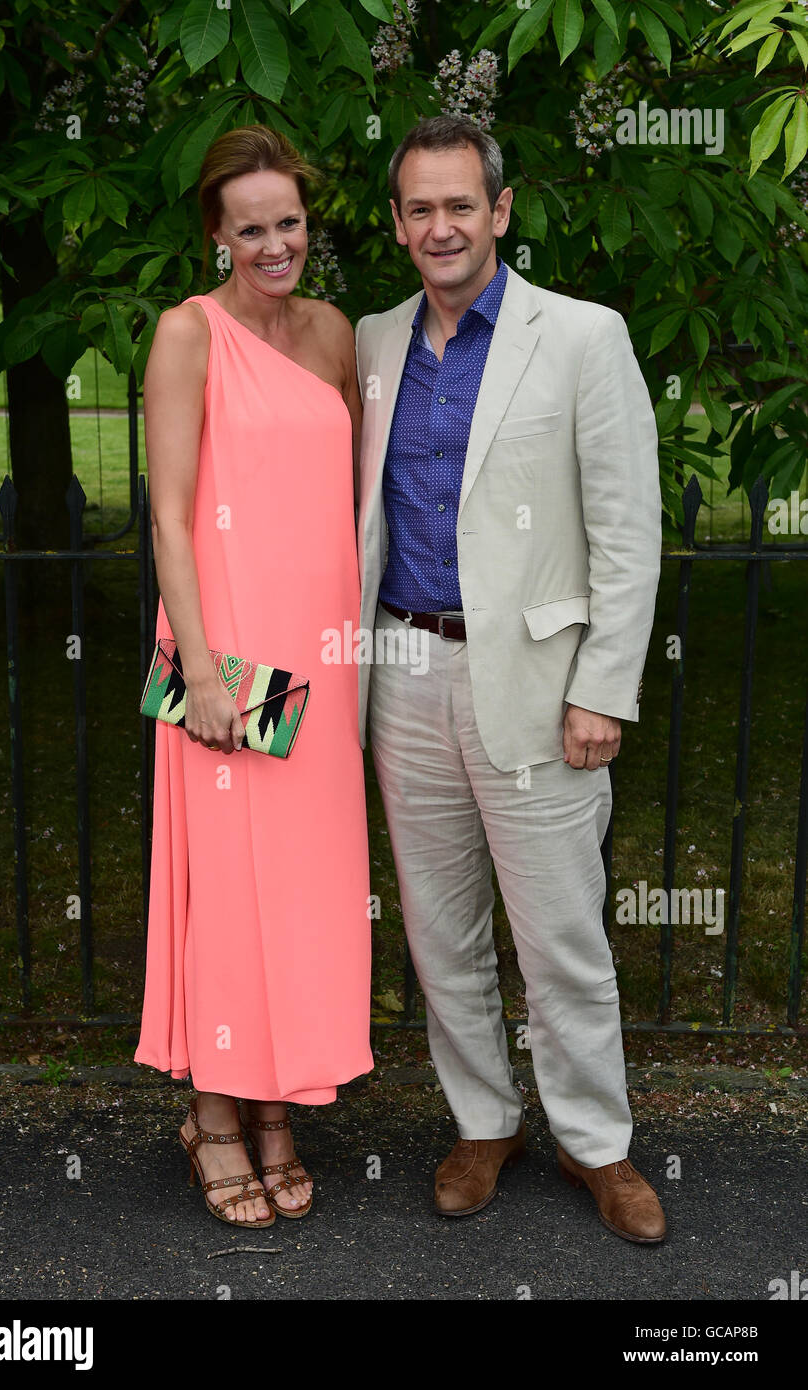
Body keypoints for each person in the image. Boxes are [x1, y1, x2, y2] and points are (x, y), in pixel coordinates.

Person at [354, 116, 666, 1241]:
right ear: (398, 225)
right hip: (402, 671)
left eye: (459, 204)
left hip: (538, 685)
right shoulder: (373, 342)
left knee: (560, 937)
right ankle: (484, 1123)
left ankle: (596, 1144)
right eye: (418, 208)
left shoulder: (581, 336)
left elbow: (627, 530)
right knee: (440, 934)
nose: (439, 226)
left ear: (498, 210)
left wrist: (603, 689)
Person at [134, 124, 373, 1227]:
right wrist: (205, 672)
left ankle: (281, 1112)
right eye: (252, 229)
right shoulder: (187, 333)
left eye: (290, 222)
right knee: (230, 894)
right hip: (228, 662)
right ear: (217, 237)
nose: (276, 244)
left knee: (305, 892)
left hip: (321, 661)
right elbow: (170, 517)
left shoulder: (333, 334)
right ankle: (218, 1120)